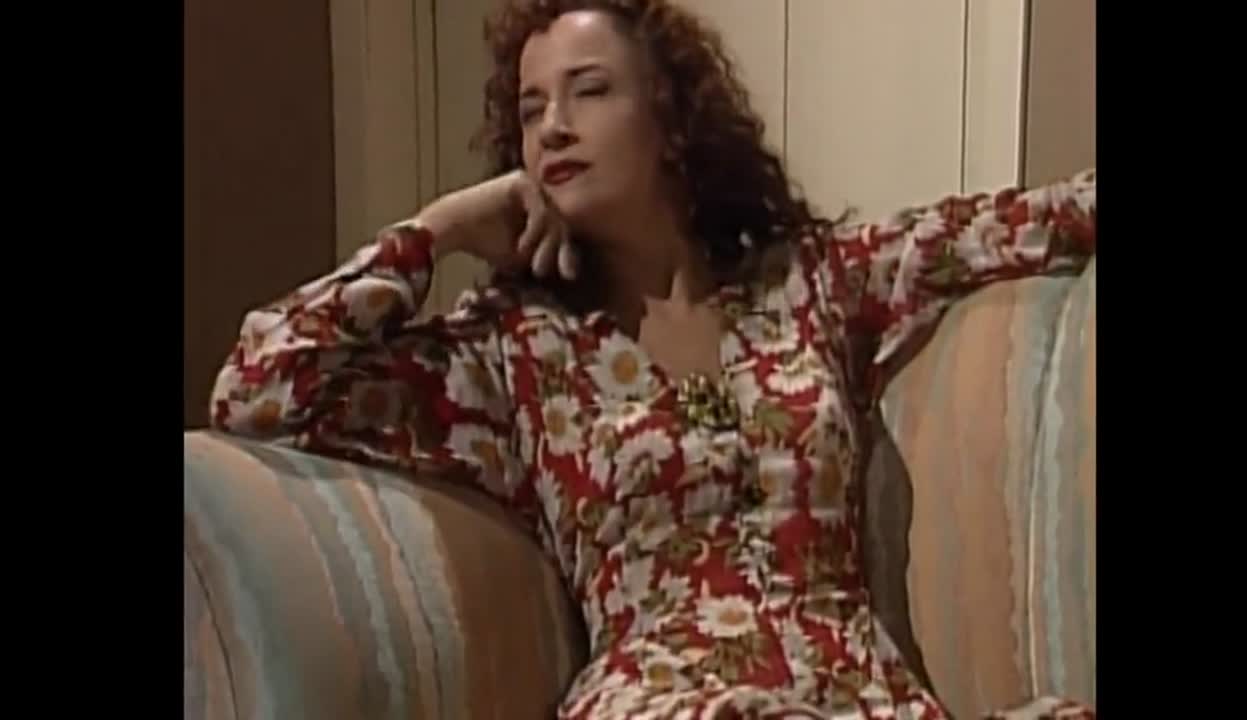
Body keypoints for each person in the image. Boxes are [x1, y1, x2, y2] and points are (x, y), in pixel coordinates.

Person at [208, 1, 1097, 718]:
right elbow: (262, 384)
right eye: (530, 110)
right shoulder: (514, 352)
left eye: (588, 91)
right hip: (663, 698)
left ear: (671, 120)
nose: (554, 128)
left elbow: (1025, 224)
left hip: (854, 694)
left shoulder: (809, 281)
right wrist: (438, 230)